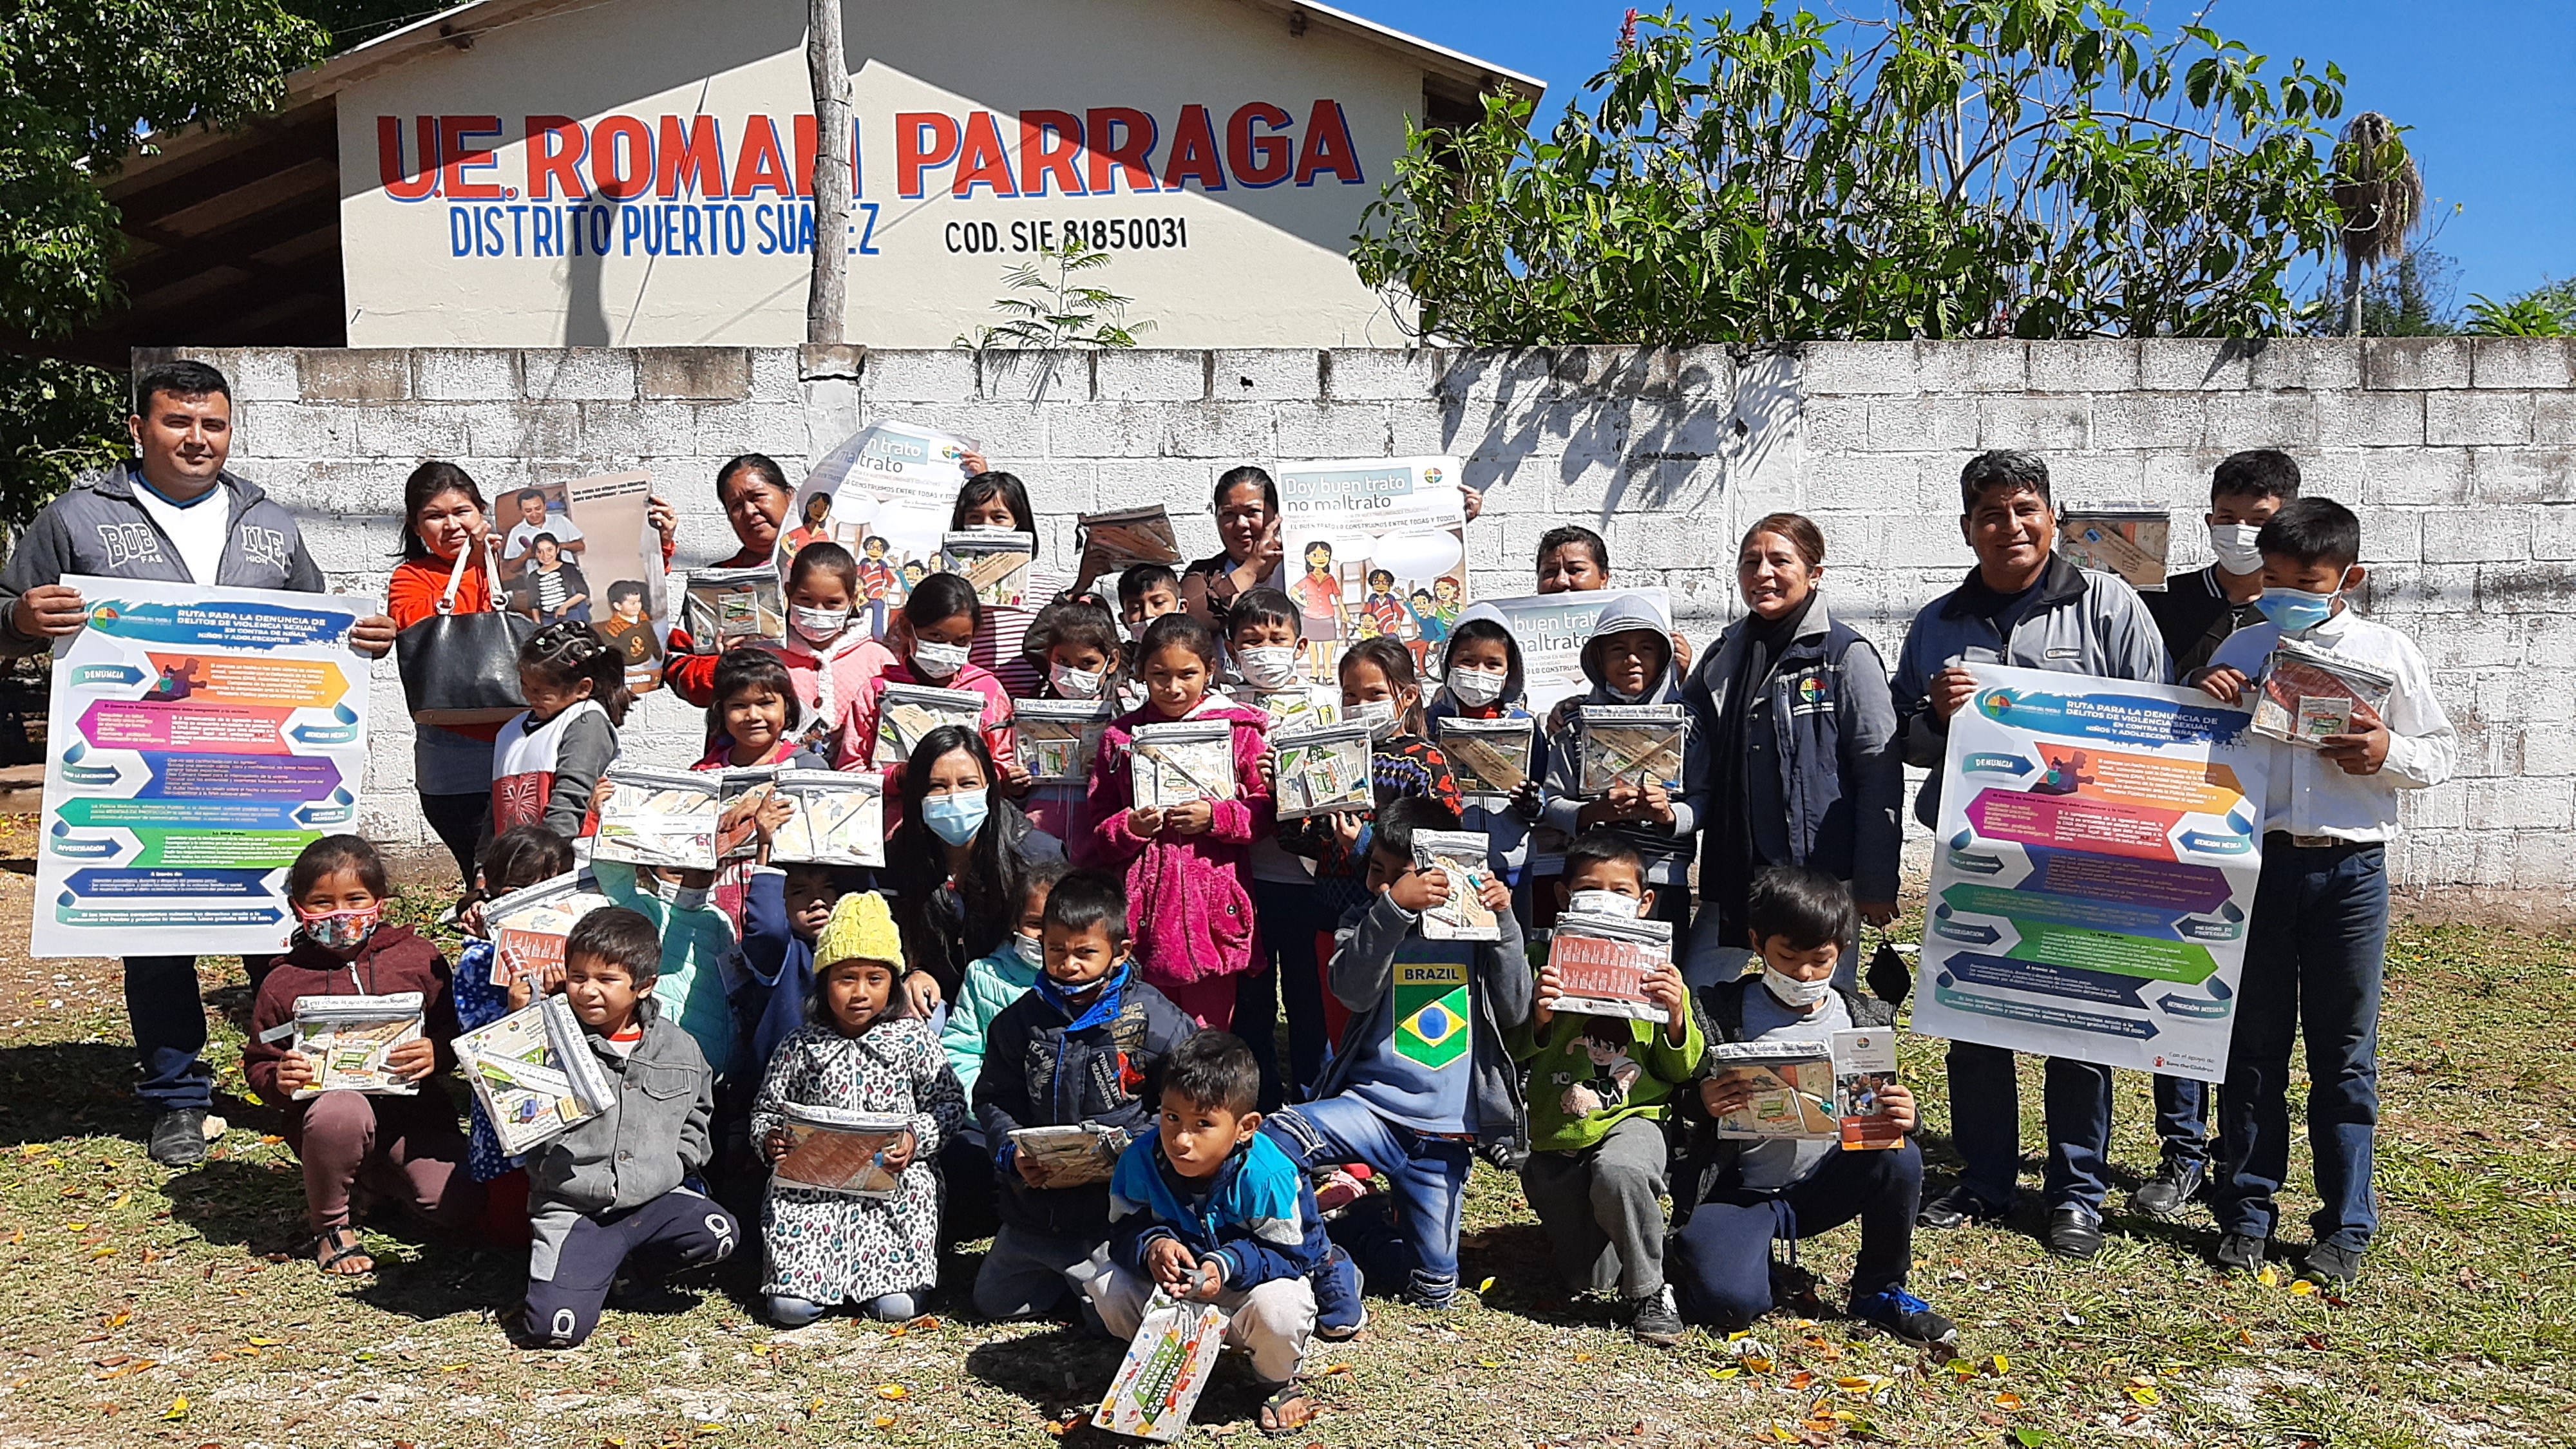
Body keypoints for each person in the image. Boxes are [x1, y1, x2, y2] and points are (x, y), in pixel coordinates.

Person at [0, 359, 398, 1166]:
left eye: (212, 424)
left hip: (256, 777)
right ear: (140, 429)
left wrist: (359, 638)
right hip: (146, 774)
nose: (197, 439)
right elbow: (6, 610)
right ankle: (177, 1096)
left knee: (284, 932)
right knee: (156, 936)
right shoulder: (76, 517)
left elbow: (317, 619)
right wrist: (18, 616)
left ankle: (300, 1081)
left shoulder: (270, 523)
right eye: (178, 423)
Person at [1889, 450, 2170, 1259]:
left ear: (2051, 515)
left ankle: (2076, 1191)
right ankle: (1983, 1179)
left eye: (2023, 509)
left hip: (2082, 855)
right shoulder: (1938, 624)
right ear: (1967, 528)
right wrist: (1940, 717)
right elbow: (1907, 742)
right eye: (1989, 515)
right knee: (1976, 1015)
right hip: (1978, 849)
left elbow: (2153, 731)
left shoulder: (2109, 607)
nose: (2008, 526)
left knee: (2077, 1019)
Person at [2189, 497, 2456, 1287]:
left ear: (2349, 577)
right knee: (2253, 1049)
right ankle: (2246, 1211)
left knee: (2343, 1055)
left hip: (2349, 873)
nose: (2282, 593)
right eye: (2270, 578)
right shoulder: (2244, 643)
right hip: (2259, 868)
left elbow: (2438, 752)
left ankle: (2345, 1221)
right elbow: (2194, 744)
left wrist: (2387, 748)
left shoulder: (2388, 652)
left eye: (2304, 581)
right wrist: (2209, 693)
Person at [1260, 796, 1530, 1320]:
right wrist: (1394, 910)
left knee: (1434, 1292)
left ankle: (1366, 1227)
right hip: (1371, 1110)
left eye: (1397, 876)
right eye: (1375, 870)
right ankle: (1323, 1259)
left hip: (1443, 1133)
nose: (1378, 885)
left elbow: (1515, 1007)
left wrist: (1505, 922)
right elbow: (1352, 992)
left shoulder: (1473, 934)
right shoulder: (1364, 917)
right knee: (1278, 1139)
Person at [1666, 867, 1955, 1349]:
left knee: (1899, 1155)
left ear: (1841, 951)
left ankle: (1879, 1291)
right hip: (1741, 1192)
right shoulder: (1717, 1011)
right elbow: (1678, 1097)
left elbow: (1878, 1109)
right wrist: (1703, 1101)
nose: (1803, 974)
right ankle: (1727, 1259)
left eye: (1820, 960)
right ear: (1758, 943)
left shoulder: (1863, 1019)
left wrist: (1908, 1115)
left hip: (1824, 1184)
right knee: (1730, 1305)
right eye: (1787, 957)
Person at [242, 835, 483, 1276]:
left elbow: (460, 1030)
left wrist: (439, 1052)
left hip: (416, 1118)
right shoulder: (285, 981)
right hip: (331, 1121)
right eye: (322, 903)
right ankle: (332, 1226)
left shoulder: (418, 959)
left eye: (356, 899)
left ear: (380, 901)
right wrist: (280, 1078)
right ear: (298, 907)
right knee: (341, 1113)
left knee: (458, 1204)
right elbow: (260, 1061)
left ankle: (377, 1183)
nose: (341, 915)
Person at [1681, 514, 1901, 988]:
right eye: (1750, 563)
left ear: (1814, 573)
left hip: (1821, 873)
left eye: (1780, 561)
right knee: (1699, 988)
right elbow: (1685, 732)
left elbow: (1878, 770)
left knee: (1820, 994)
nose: (1762, 573)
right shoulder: (1725, 653)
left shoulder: (1845, 655)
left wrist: (1877, 881)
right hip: (1738, 867)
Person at [971, 869, 1198, 1326]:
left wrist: (1135, 1146)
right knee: (992, 1303)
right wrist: (1010, 1151)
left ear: (1120, 953)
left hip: (1113, 1212)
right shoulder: (1019, 1023)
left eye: (1085, 953)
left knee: (1108, 1320)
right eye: (1056, 950)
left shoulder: (1157, 1020)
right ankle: (1060, 1280)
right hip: (1035, 1209)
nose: (1068, 965)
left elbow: (1185, 1105)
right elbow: (995, 1097)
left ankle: (1092, 1287)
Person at [515, 907, 740, 1349]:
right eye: (578, 976)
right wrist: (521, 1026)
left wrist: (678, 1165)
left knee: (719, 1234)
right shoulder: (547, 1039)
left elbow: (699, 1113)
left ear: (644, 986)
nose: (588, 991)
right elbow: (509, 1108)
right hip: (573, 1207)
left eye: (606, 979)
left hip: (652, 1201)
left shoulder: (678, 1046)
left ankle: (632, 1267)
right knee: (555, 1330)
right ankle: (595, 1267)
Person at [1510, 831, 1701, 1346]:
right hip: (1560, 1130)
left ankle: (1651, 1289)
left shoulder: (1659, 967)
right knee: (1585, 1279)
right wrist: (1541, 1017)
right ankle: (1631, 1237)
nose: (1606, 899)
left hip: (1634, 1117)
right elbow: (1512, 1050)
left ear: (1644, 904)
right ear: (1564, 897)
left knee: (1620, 1171)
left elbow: (1680, 1068)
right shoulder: (1537, 960)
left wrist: (1676, 1016)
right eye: (1591, 888)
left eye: (1621, 891)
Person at [1093, 1032, 1327, 1437]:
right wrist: (1154, 1247)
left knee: (1282, 1307)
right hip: (1174, 1287)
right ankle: (1160, 1358)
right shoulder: (1140, 1159)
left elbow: (1290, 1256)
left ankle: (1277, 1383)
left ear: (1245, 1127)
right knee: (1107, 1285)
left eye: (1203, 1124)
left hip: (1243, 1290)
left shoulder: (1268, 1174)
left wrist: (1226, 1264)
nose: (1181, 1140)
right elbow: (1123, 1228)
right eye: (1172, 1118)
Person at [752, 891, 967, 1327]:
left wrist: (914, 1138)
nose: (860, 993)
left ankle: (890, 1285)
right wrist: (771, 1138)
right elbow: (766, 1110)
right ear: (825, 980)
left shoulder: (913, 1041)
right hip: (811, 1200)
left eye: (875, 978)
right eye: (846, 978)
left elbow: (949, 1103)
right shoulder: (801, 1045)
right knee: (791, 1309)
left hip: (893, 1194)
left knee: (895, 1310)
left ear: (893, 983)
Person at [1081, 612, 1273, 1030]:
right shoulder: (1121, 738)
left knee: (1207, 1031)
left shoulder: (1237, 732)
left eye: (1187, 674)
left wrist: (1217, 817)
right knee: (1144, 1027)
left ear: (1210, 670)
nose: (1173, 687)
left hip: (1213, 906)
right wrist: (1131, 828)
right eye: (1159, 675)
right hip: (1146, 907)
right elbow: (1099, 826)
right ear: (1141, 673)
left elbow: (1264, 812)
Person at [1537, 592, 1710, 931]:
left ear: (1664, 657)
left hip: (1662, 878)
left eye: (1646, 649)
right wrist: (1592, 813)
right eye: (1617, 650)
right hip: (1591, 882)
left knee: (1657, 977)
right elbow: (1551, 800)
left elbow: (1706, 797)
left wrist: (1671, 815)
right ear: (1597, 659)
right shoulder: (1575, 724)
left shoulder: (1688, 722)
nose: (1632, 659)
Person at [1225, 589, 1332, 1104]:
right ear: (1231, 647)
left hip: (1310, 878)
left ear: (1299, 644)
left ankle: (1316, 1101)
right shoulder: (1220, 710)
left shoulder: (1325, 705)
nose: (1264, 649)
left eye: (1276, 638)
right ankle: (1260, 1101)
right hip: (1247, 880)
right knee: (1253, 1001)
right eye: (1251, 640)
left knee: (1310, 999)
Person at [883, 726, 1066, 1019]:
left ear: (989, 787)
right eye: (938, 786)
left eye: (967, 784)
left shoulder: (1037, 857)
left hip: (1018, 998)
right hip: (936, 1002)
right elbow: (893, 933)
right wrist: (912, 971)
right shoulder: (899, 857)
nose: (954, 797)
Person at [386, 460, 510, 886]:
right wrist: (472, 565)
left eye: (462, 512)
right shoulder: (410, 578)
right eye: (435, 516)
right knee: (484, 877)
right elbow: (431, 630)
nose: (452, 525)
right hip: (456, 760)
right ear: (416, 526)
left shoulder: (514, 569)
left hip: (524, 744)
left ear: (482, 513)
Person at [451, 823, 575, 1240]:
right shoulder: (478, 961)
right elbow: (477, 1045)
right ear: (494, 894)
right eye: (520, 893)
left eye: (555, 894)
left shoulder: (584, 958)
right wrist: (516, 1009)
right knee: (510, 1226)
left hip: (575, 1110)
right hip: (509, 1110)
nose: (538, 910)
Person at [839, 574, 1019, 807]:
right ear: (907, 627)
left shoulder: (988, 692)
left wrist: (1008, 780)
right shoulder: (877, 692)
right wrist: (897, 777)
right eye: (936, 637)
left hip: (970, 826)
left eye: (961, 641)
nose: (947, 649)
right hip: (896, 828)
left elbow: (1004, 760)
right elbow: (851, 771)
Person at [2149, 450, 2301, 679]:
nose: (2240, 530)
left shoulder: (2298, 612)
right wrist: (2192, 681)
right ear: (2211, 523)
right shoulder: (2161, 601)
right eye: (2227, 519)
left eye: (2259, 521)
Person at [663, 453, 800, 706]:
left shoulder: (828, 569)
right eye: (736, 506)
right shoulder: (715, 584)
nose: (749, 511)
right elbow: (678, 666)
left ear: (789, 495)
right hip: (743, 738)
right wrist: (725, 668)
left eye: (757, 497)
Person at [940, 857, 1068, 1098]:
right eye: (1034, 923)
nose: (1045, 936)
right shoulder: (983, 977)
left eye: (1057, 924)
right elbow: (961, 1052)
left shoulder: (1089, 987)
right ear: (1015, 923)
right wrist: (987, 1110)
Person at [491, 622, 629, 842]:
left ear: (583, 688)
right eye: (524, 685)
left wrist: (543, 858)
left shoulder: (586, 722)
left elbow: (571, 797)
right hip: (520, 865)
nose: (528, 696)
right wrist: (483, 864)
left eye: (541, 691)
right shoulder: (510, 732)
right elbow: (494, 811)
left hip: (570, 865)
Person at [1016, 597, 1121, 847]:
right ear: (1048, 657)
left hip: (1098, 837)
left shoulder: (1126, 709)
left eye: (1087, 663)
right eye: (1063, 662)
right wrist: (1015, 784)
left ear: (1111, 662)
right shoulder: (1034, 705)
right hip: (1039, 835)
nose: (1074, 672)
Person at [950, 467, 1058, 695]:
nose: (986, 527)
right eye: (975, 518)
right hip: (975, 709)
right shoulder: (949, 593)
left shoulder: (1050, 592)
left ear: (1019, 524)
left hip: (1034, 708)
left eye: (999, 518)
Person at [1533, 524, 1692, 674]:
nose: (1561, 580)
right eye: (1550, 572)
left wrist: (1679, 676)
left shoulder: (1633, 622)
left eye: (1575, 570)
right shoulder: (1518, 635)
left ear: (1604, 577)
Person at [1180, 466, 1285, 634]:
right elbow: (1186, 628)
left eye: (1252, 512)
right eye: (1229, 514)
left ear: (1276, 517)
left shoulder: (1298, 567)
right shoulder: (1204, 574)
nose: (1241, 524)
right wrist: (1251, 570)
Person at [513, 533, 592, 624]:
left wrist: (564, 607)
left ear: (557, 549)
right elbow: (533, 605)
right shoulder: (533, 577)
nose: (545, 555)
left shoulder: (569, 568)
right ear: (535, 554)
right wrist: (538, 625)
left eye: (549, 550)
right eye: (540, 551)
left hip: (571, 615)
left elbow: (582, 593)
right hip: (548, 619)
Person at [597, 580, 662, 689]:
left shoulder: (643, 618)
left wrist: (658, 655)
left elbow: (652, 637)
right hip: (629, 668)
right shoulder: (614, 629)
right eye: (633, 603)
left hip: (648, 663)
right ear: (618, 606)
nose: (638, 606)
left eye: (639, 602)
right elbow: (608, 651)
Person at [502, 488, 587, 567]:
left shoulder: (560, 520)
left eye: (538, 508)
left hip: (568, 574)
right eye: (528, 511)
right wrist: (526, 555)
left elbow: (581, 546)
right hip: (539, 579)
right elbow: (512, 567)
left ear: (545, 506)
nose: (534, 514)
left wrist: (559, 546)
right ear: (522, 511)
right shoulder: (516, 532)